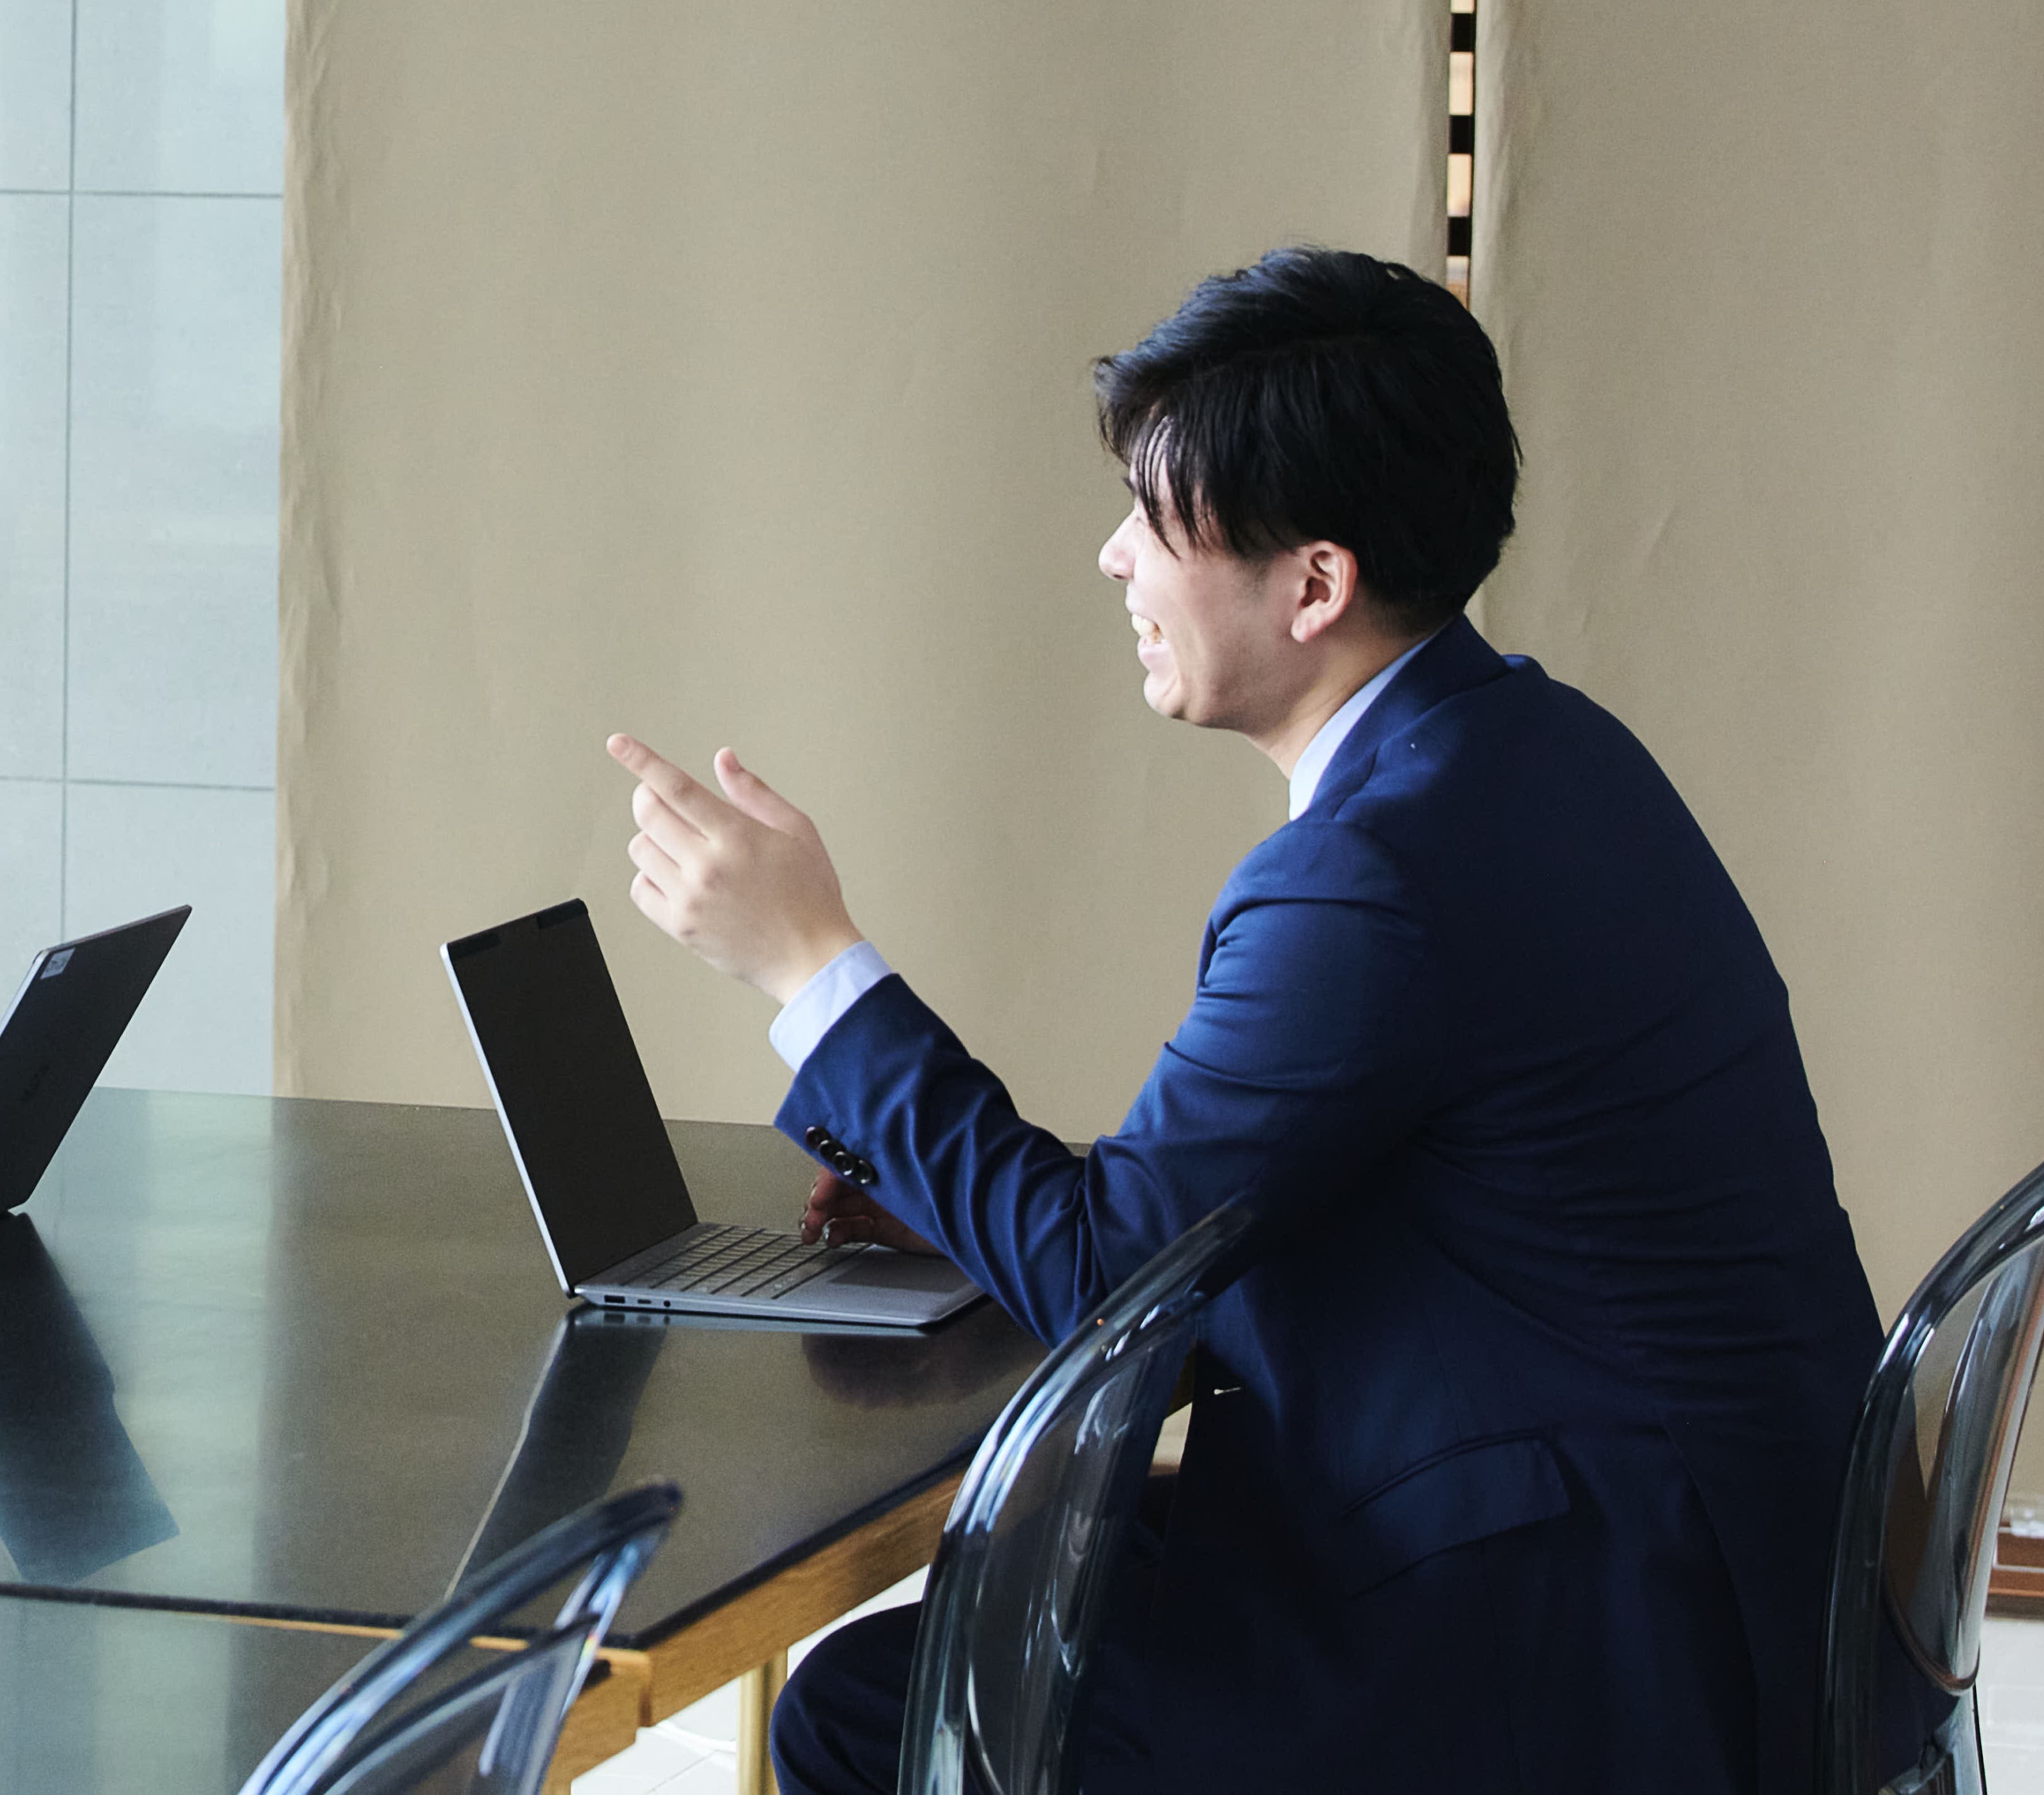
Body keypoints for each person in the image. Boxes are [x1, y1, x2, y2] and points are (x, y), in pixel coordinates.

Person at [610, 248, 1881, 1795]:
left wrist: (809, 963)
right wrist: (965, 1203)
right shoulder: (1537, 748)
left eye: (1155, 523)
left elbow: (1112, 1280)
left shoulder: (1376, 868)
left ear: (1315, 585)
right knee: (1021, 1581)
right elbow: (1248, 1202)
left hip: (1575, 1640)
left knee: (884, 1708)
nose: (1113, 560)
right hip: (1695, 1558)